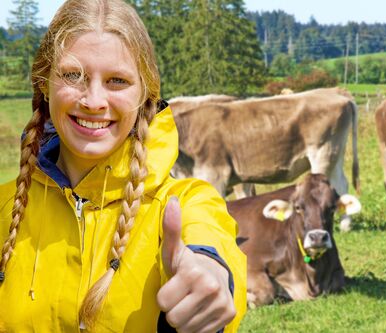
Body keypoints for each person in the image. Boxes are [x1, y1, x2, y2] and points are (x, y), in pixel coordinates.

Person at [0, 0, 246, 332]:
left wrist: (212, 273)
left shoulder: (184, 203)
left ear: (146, 94)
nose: (94, 101)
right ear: (45, 83)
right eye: (74, 75)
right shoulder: (5, 206)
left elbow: (210, 239)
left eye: (117, 81)